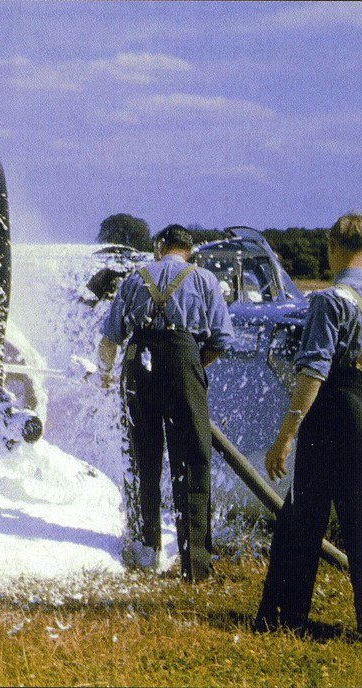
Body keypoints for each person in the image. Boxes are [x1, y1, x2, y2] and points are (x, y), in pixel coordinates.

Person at [98, 224, 234, 582]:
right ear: (189, 250)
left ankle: (147, 552)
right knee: (192, 458)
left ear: (160, 247)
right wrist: (190, 368)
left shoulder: (134, 278)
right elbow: (221, 340)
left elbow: (109, 340)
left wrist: (104, 374)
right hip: (184, 357)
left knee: (143, 455)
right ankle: (195, 566)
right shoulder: (204, 279)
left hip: (138, 362)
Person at [255, 212, 362, 635]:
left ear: (333, 247)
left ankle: (284, 614)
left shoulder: (330, 300)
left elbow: (313, 372)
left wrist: (286, 435)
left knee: (303, 515)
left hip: (334, 411)